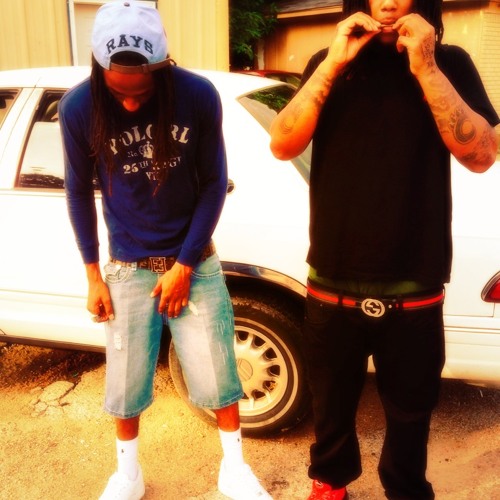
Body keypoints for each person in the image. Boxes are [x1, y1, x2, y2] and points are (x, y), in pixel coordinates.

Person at [270, 0, 498, 499]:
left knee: (411, 408)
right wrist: (334, 60)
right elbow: (283, 144)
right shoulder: (329, 61)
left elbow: (482, 155)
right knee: (330, 401)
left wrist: (426, 67)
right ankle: (330, 480)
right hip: (332, 273)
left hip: (415, 275)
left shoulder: (450, 62)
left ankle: (406, 489)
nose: (389, 2)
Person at [59, 2, 272, 499]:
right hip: (126, 267)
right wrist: (92, 276)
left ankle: (234, 469)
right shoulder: (78, 107)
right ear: (99, 70)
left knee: (218, 370)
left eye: (143, 92)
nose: (132, 104)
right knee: (126, 381)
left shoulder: (197, 95)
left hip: (195, 260)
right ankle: (128, 474)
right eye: (120, 93)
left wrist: (184, 265)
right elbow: (77, 192)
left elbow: (214, 182)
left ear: (162, 68)